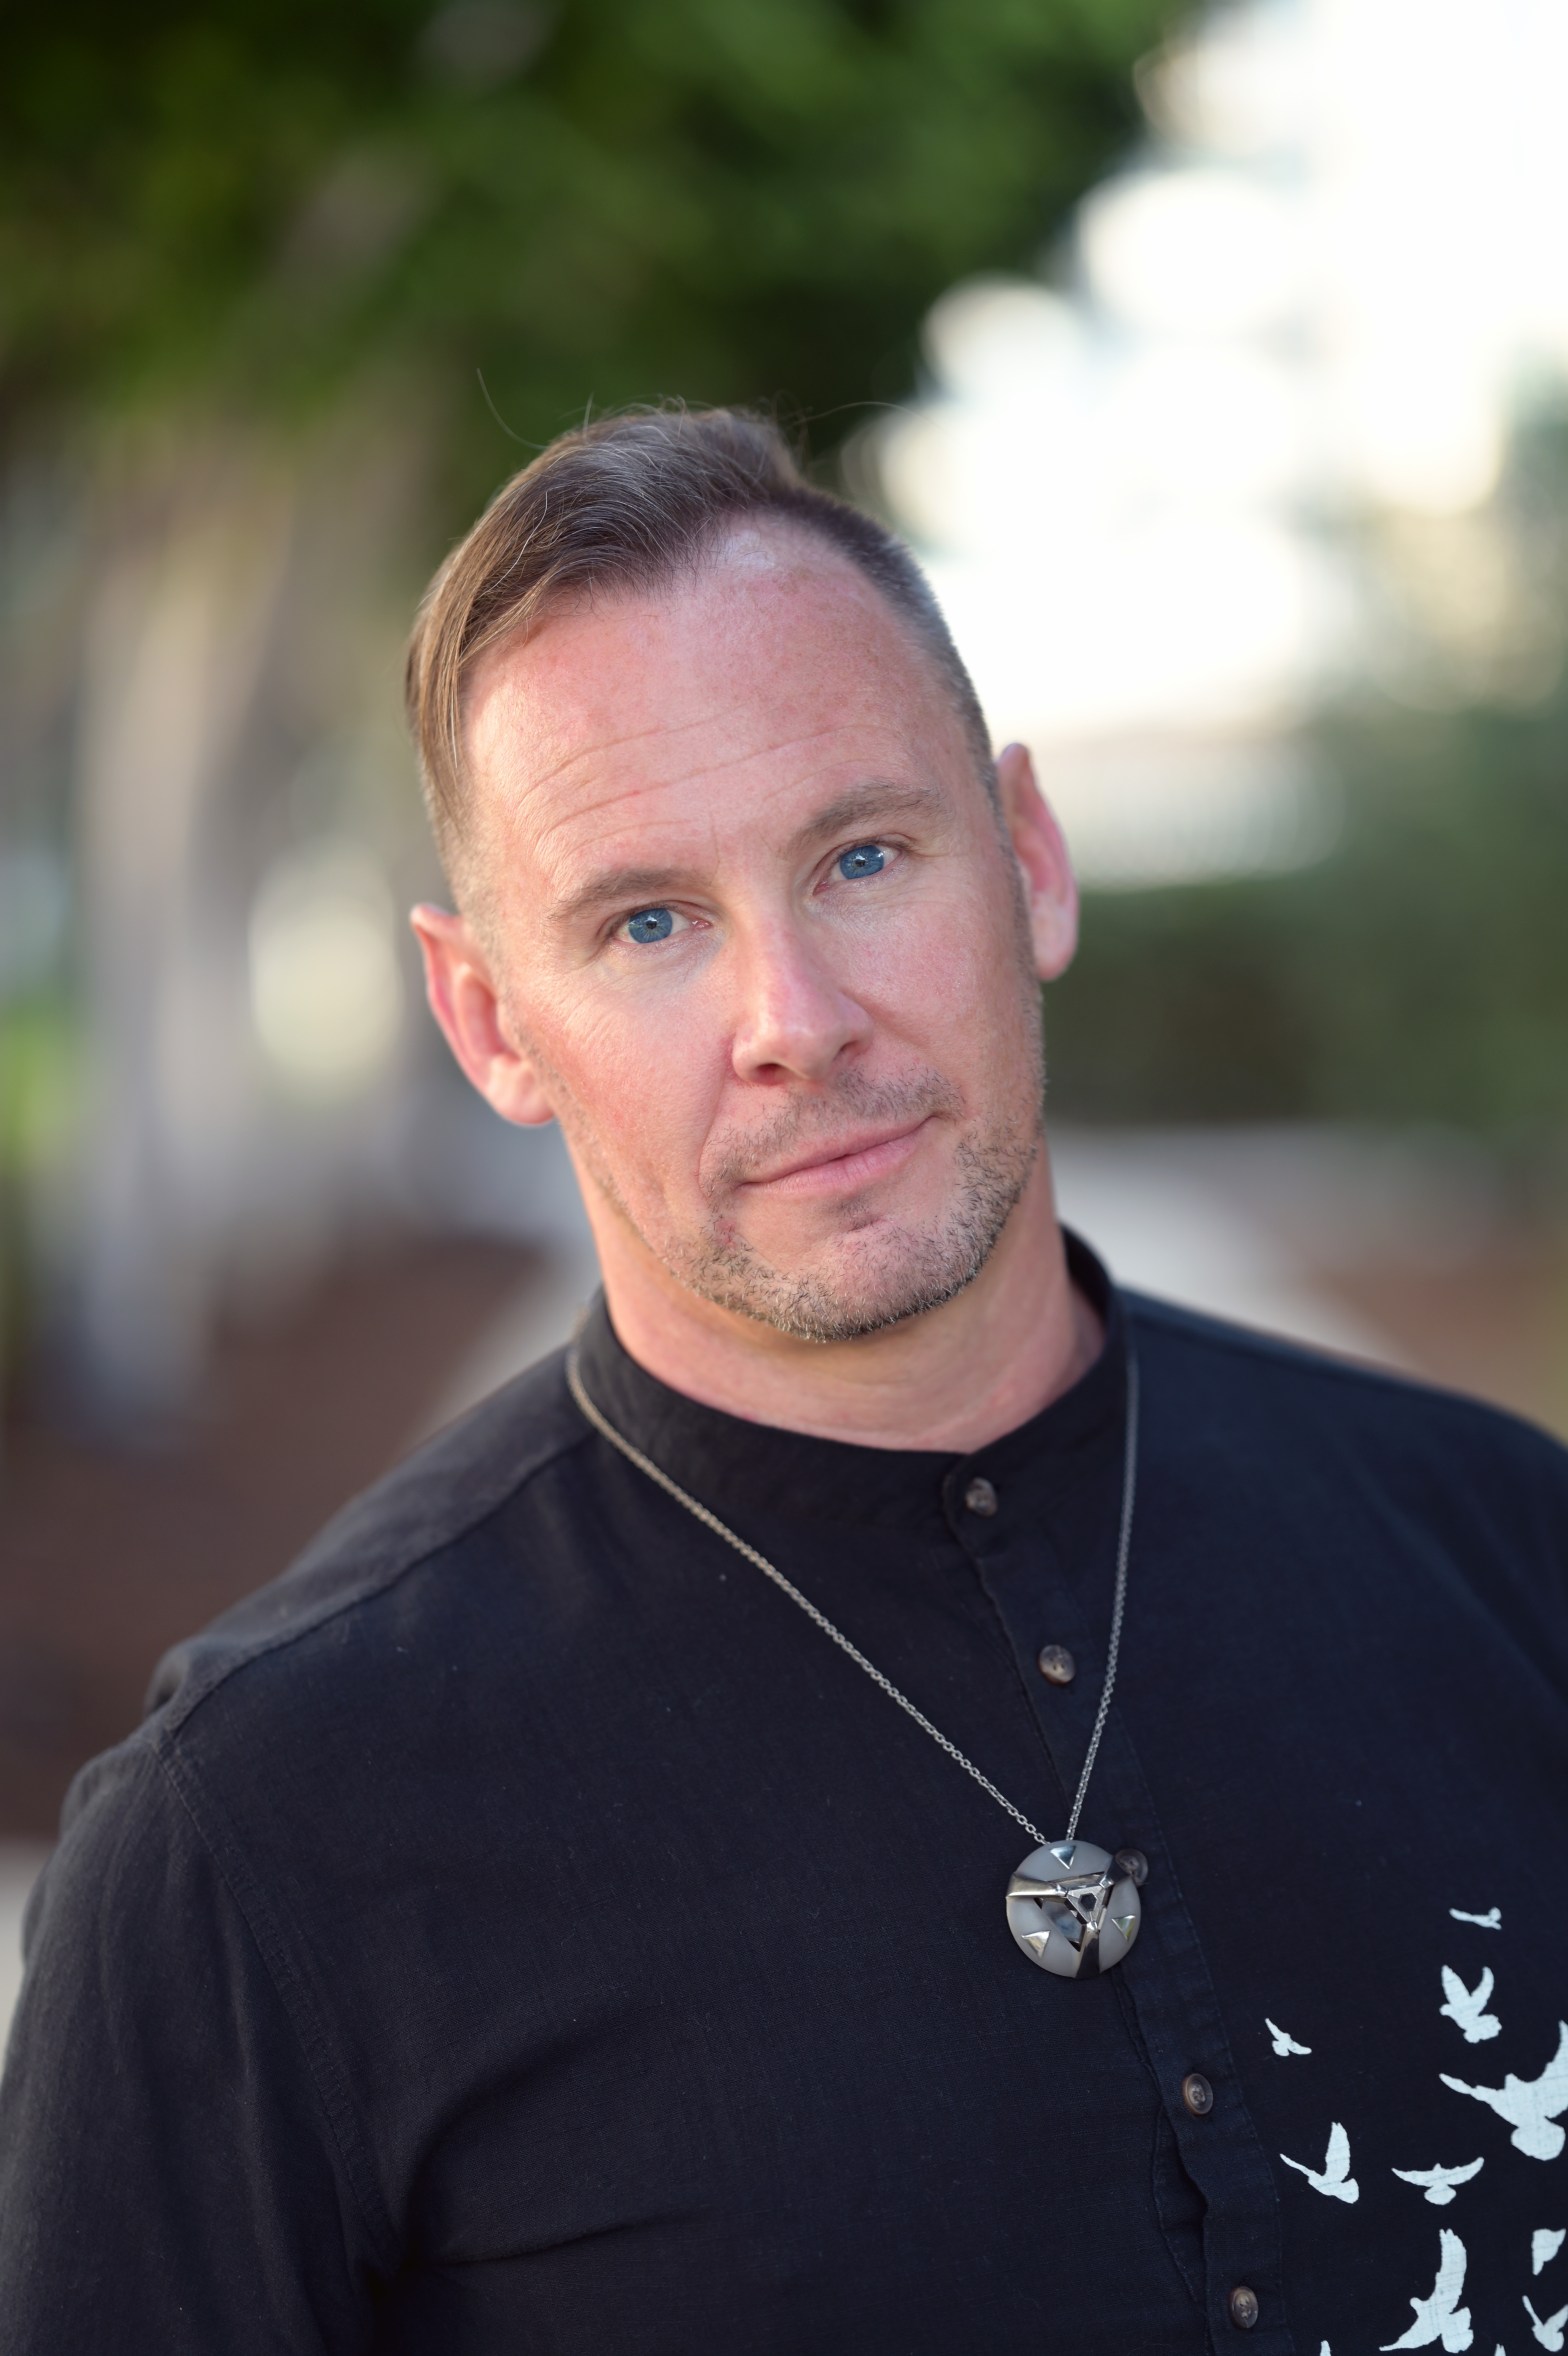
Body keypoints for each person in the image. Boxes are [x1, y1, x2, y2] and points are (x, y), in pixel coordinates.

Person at [2, 406, 1565, 2355]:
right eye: (647, 921)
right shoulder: (250, 1843)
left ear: (1029, 861)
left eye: (861, 855)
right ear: (489, 1019)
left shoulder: (1510, 1554)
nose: (794, 1023)